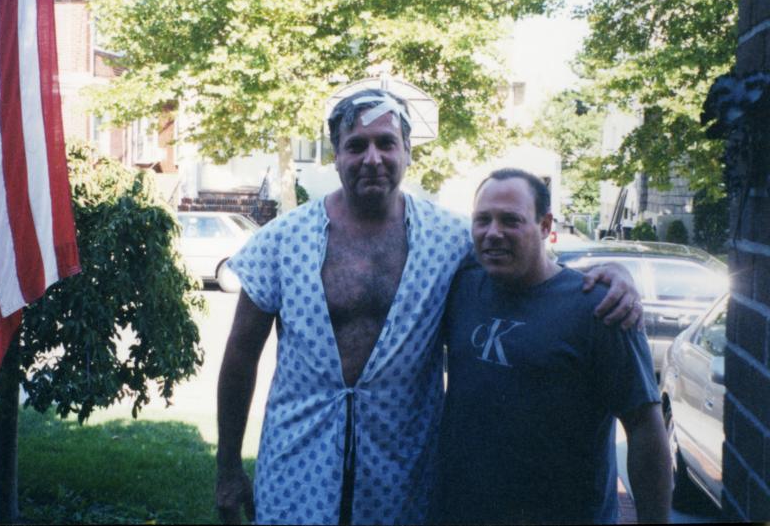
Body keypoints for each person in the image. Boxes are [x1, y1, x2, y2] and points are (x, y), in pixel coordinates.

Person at [215, 90, 643, 525]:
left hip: (401, 477)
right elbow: (239, 355)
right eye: (356, 145)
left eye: (386, 143)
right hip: (297, 465)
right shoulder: (282, 240)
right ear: (336, 156)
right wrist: (228, 468)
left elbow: (526, 258)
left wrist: (612, 272)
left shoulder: (450, 240)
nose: (372, 158)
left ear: (408, 152)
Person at [427, 169, 671, 525]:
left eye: (511, 220)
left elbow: (645, 428)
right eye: (483, 220)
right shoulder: (459, 288)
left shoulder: (600, 307)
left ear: (544, 226)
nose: (493, 233)